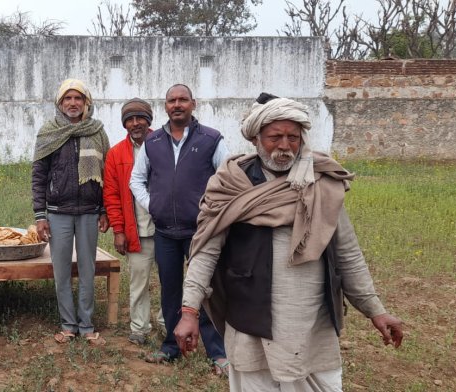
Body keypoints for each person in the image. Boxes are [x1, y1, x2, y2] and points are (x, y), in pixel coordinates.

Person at [174, 93, 405, 390]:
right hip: (250, 318)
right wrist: (189, 311)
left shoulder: (323, 183)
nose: (285, 146)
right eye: (275, 137)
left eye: (293, 137)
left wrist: (375, 310)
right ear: (256, 139)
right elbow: (205, 252)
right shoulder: (231, 183)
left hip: (311, 319)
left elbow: (348, 253)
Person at [128, 84, 229, 371]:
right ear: (165, 106)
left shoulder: (211, 139)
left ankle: (217, 353)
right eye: (172, 100)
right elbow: (136, 180)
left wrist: (211, 213)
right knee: (170, 290)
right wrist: (154, 205)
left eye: (182, 99)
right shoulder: (154, 142)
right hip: (165, 233)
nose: (177, 104)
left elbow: (228, 180)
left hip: (201, 233)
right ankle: (171, 346)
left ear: (193, 104)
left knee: (206, 289)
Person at [32, 79, 110, 346]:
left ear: (86, 103)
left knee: (87, 270)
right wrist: (40, 216)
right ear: (60, 103)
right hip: (57, 212)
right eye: (68, 99)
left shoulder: (97, 131)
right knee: (61, 271)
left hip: (89, 212)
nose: (73, 103)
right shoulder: (48, 132)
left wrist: (104, 210)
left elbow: (106, 173)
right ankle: (68, 325)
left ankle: (87, 325)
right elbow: (38, 176)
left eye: (78, 98)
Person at [103, 98, 161, 345]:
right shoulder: (116, 154)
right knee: (139, 282)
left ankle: (169, 323)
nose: (135, 123)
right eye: (130, 119)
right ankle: (139, 327)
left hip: (167, 230)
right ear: (124, 123)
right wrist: (118, 230)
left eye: (140, 118)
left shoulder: (165, 143)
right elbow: (111, 194)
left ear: (149, 120)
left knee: (172, 281)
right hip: (135, 229)